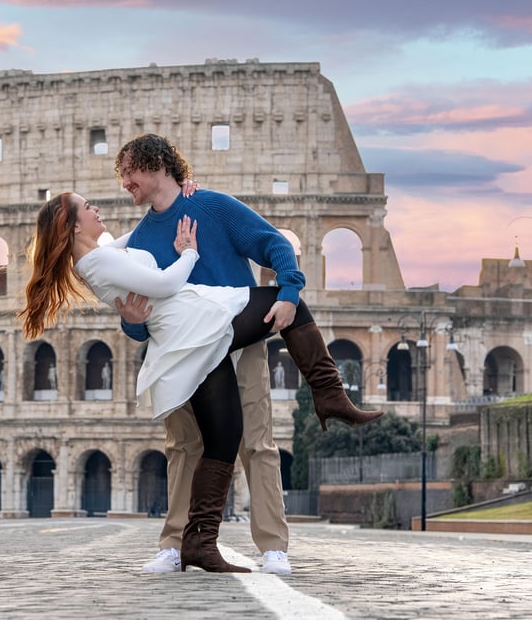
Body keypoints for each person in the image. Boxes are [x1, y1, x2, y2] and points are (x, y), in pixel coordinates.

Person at [18, 191, 382, 572]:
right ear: (74, 224)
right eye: (87, 205)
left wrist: (177, 193)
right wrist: (188, 252)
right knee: (284, 303)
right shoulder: (98, 259)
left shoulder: (122, 243)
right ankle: (329, 395)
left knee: (231, 437)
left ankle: (206, 543)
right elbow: (157, 288)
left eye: (130, 175)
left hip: (201, 328)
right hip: (197, 325)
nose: (119, 190)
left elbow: (136, 252)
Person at [112, 133, 380, 575]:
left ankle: (274, 546)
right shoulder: (141, 239)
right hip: (180, 356)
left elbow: (274, 243)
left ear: (157, 164)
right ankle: (175, 545)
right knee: (183, 447)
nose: (125, 182)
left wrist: (291, 290)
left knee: (258, 444)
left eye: (129, 171)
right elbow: (138, 323)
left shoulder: (212, 207)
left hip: (241, 345)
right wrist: (132, 319)